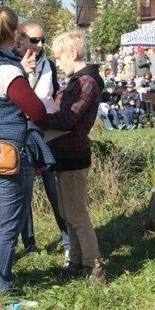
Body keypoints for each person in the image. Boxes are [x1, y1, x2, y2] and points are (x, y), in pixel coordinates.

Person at [0, 6, 52, 294]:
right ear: (14, 34)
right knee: (8, 226)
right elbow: (37, 112)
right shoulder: (6, 70)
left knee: (3, 223)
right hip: (9, 155)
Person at [43, 30, 105, 284]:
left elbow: (69, 118)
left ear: (72, 53)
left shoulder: (86, 81)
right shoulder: (78, 80)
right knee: (68, 213)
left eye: (59, 58)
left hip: (74, 153)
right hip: (65, 153)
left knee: (77, 213)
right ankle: (77, 261)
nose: (57, 63)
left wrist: (40, 119)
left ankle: (94, 265)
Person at [16, 20, 71, 260]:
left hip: (46, 132)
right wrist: (23, 70)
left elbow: (54, 91)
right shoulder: (11, 64)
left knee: (55, 189)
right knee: (24, 192)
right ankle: (29, 246)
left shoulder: (48, 64)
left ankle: (69, 241)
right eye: (34, 40)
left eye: (42, 40)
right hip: (23, 133)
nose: (39, 45)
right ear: (21, 39)